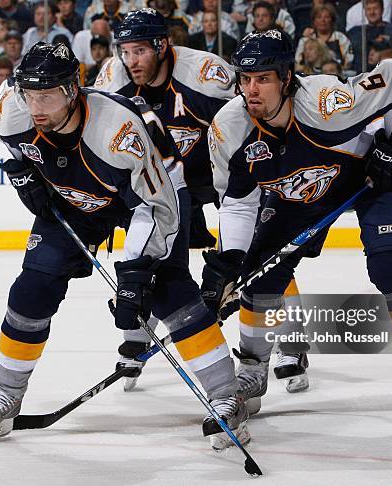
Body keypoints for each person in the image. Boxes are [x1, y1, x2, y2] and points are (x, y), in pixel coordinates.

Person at [0, 42, 248, 450]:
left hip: (154, 194)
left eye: (47, 95)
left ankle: (227, 396)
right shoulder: (12, 107)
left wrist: (135, 271)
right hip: (74, 200)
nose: (36, 106)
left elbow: (156, 207)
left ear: (72, 90)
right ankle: (6, 395)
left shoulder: (118, 132)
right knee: (32, 288)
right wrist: (23, 171)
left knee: (169, 292)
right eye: (29, 94)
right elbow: (13, 144)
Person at [203, 29, 392, 429]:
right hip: (298, 194)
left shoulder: (325, 104)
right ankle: (251, 372)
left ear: (286, 78)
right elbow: (237, 203)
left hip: (372, 177)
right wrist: (230, 265)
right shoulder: (229, 127)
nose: (251, 90)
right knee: (259, 276)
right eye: (245, 79)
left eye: (263, 79)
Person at [92, 7, 235, 387]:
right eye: (124, 51)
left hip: (214, 173)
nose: (130, 61)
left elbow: (247, 129)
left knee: (258, 253)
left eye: (139, 51)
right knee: (152, 259)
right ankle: (136, 342)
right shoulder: (114, 79)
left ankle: (287, 342)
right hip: (161, 183)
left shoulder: (204, 76)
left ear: (162, 45)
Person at [347, 0, 392, 73]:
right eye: (368, 9)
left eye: (375, 8)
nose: (372, 12)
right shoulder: (355, 32)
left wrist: (382, 54)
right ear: (364, 12)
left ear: (382, 10)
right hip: (356, 76)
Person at [296, 4, 354, 73]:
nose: (323, 20)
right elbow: (299, 62)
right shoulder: (305, 40)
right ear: (314, 21)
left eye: (327, 17)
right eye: (319, 17)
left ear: (332, 20)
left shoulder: (340, 38)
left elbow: (348, 61)